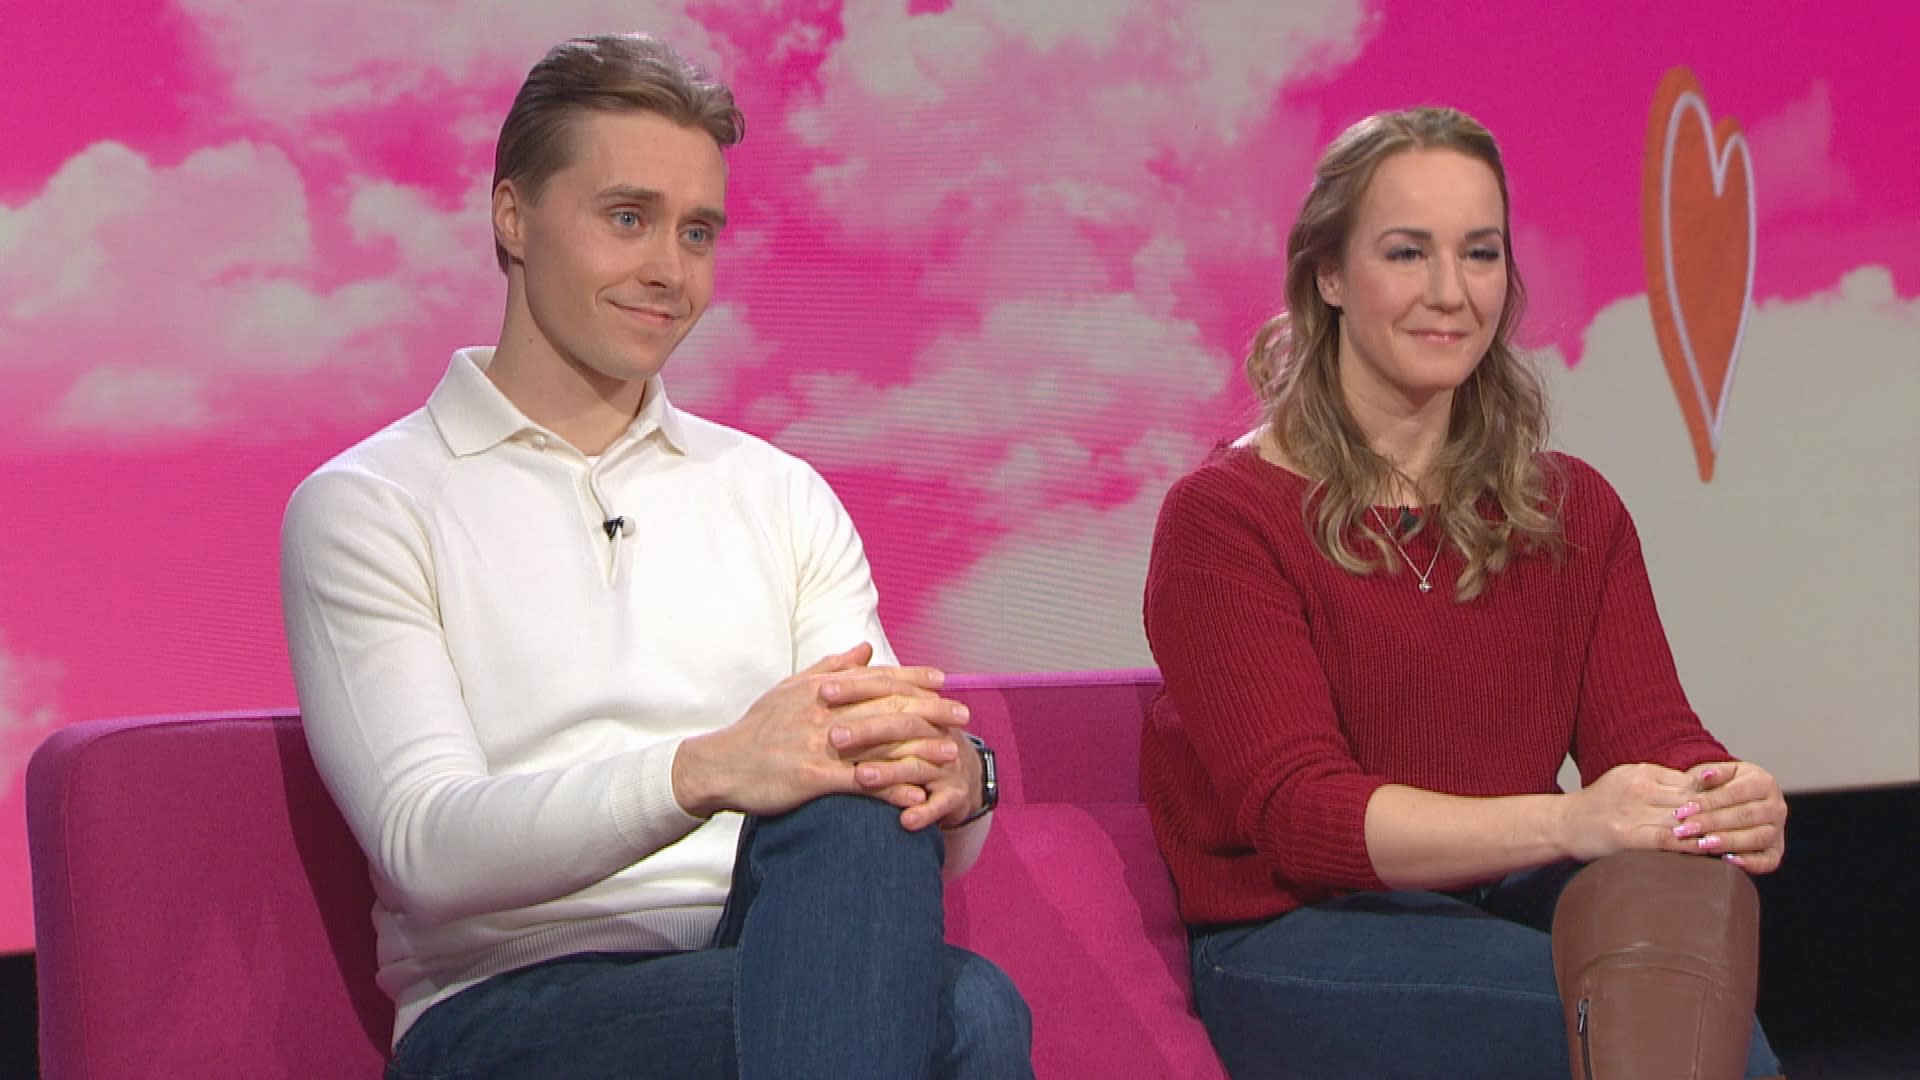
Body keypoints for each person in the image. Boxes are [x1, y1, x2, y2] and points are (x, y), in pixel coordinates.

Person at [280, 33, 1031, 1079]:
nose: (668, 272)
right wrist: (707, 770)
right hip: (507, 1004)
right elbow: (426, 846)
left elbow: (902, 811)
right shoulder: (371, 503)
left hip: (769, 943)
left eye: (697, 232)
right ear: (512, 218)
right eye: (627, 218)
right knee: (969, 1013)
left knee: (863, 807)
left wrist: (956, 780)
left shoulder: (778, 493)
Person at [1139, 106, 1787, 1079]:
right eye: (1407, 253)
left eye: (1479, 254)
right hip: (1301, 933)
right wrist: (1567, 821)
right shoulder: (1225, 519)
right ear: (1328, 275)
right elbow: (1303, 817)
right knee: (1642, 1026)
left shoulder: (1570, 507)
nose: (1450, 292)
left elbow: (1650, 738)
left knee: (1690, 965)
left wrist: (1718, 796)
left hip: (1510, 900)